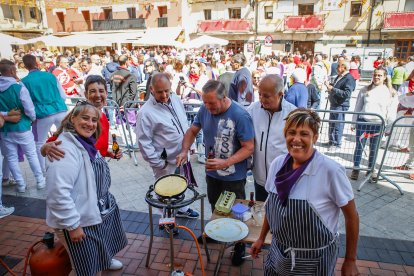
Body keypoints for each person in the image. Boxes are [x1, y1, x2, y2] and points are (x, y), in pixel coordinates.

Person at [250, 108, 359, 276]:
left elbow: (352, 216)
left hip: (316, 259)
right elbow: (272, 208)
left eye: (304, 134)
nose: (296, 139)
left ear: (314, 137)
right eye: (291, 133)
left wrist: (350, 260)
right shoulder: (277, 165)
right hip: (279, 251)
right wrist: (261, 237)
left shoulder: (331, 171)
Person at [45, 102, 127, 275]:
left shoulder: (85, 142)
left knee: (93, 263)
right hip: (76, 219)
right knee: (85, 269)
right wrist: (73, 225)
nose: (90, 123)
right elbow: (57, 193)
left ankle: (104, 261)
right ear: (72, 118)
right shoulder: (65, 149)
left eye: (94, 120)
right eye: (85, 118)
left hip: (89, 212)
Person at [176, 80, 254, 211]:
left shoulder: (240, 115)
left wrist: (226, 162)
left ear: (224, 98)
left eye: (211, 103)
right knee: (215, 210)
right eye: (205, 102)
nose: (207, 107)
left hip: (234, 178)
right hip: (212, 174)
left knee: (234, 212)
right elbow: (192, 131)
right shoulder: (204, 109)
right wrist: (184, 151)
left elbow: (249, 147)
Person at [135, 73, 199, 219]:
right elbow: (144, 142)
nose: (164, 95)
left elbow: (184, 122)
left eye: (166, 90)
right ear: (151, 89)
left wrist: (191, 144)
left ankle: (182, 208)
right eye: (159, 92)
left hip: (182, 155)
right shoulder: (145, 113)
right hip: (165, 161)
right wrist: (158, 163)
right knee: (164, 191)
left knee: (182, 182)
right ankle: (166, 218)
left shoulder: (175, 99)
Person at [41, 75, 122, 161]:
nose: (98, 95)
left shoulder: (104, 118)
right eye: (93, 91)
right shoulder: (78, 118)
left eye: (101, 91)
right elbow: (49, 145)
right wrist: (45, 148)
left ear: (106, 93)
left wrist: (108, 153)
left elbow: (96, 149)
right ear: (85, 94)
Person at [247, 75, 296, 201]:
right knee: (261, 213)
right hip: (260, 178)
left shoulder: (292, 114)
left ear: (280, 94)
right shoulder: (253, 109)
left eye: (266, 96)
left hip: (282, 179)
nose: (262, 99)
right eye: (260, 94)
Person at [0, 59, 45, 193]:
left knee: (11, 157)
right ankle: (40, 180)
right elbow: (29, 108)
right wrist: (32, 119)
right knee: (31, 154)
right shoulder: (19, 87)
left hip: (5, 129)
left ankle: (20, 184)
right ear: (12, 71)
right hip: (22, 127)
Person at [21, 54, 68, 173]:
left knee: (39, 143)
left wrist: (32, 117)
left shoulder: (24, 82)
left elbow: (27, 103)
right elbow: (63, 95)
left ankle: (43, 170)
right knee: (66, 137)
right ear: (37, 63)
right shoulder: (50, 76)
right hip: (60, 109)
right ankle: (67, 163)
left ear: (25, 66)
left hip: (42, 114)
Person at [350, 68, 395, 180]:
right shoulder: (365, 90)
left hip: (378, 125)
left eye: (379, 75)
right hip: (363, 122)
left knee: (374, 149)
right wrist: (353, 122)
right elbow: (358, 106)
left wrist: (389, 127)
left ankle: (370, 170)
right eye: (375, 75)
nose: (376, 77)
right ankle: (356, 168)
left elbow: (391, 112)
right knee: (359, 147)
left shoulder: (390, 92)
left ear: (384, 77)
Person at [325, 60, 356, 151]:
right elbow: (336, 87)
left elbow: (347, 93)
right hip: (334, 103)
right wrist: (330, 86)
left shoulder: (349, 78)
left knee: (338, 124)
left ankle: (337, 144)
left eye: (339, 66)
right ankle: (331, 141)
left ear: (344, 67)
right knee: (332, 123)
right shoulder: (340, 76)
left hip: (341, 105)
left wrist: (333, 89)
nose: (337, 68)